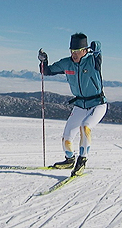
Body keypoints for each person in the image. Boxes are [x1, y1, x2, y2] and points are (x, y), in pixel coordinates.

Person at [38, 32, 108, 176]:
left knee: (85, 127)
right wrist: (43, 62)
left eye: (77, 51)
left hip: (97, 104)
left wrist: (96, 46)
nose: (74, 54)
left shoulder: (92, 61)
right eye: (72, 51)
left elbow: (98, 52)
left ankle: (82, 161)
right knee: (67, 136)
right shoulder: (67, 63)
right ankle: (69, 160)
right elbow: (47, 71)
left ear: (85, 50)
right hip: (80, 105)